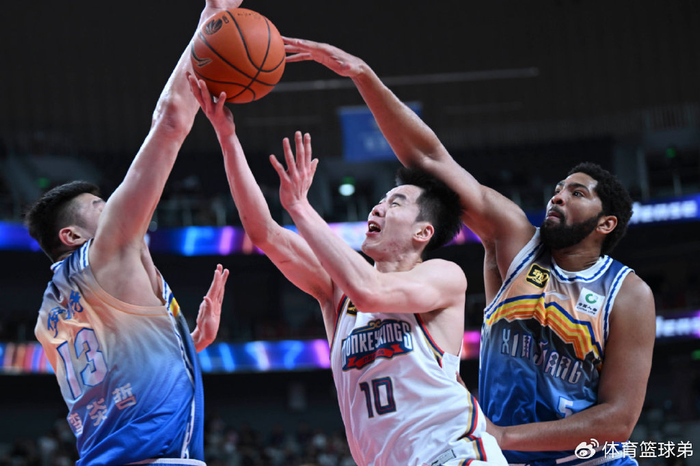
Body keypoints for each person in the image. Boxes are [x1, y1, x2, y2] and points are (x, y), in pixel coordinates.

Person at [281, 38, 656, 466]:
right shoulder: (515, 242)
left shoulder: (629, 294)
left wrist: (504, 434)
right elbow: (429, 158)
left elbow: (618, 420)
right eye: (558, 189)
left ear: (606, 224)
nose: (558, 196)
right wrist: (363, 76)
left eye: (577, 193)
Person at [188, 76, 507, 466]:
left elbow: (371, 291)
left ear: (423, 232)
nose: (378, 207)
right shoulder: (338, 292)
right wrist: (227, 138)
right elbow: (263, 232)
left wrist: (301, 208)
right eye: (381, 200)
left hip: (453, 455)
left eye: (395, 203)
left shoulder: (444, 276)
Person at [23, 1, 239, 464]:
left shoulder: (50, 314)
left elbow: (116, 372)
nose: (119, 210)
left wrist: (185, 339)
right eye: (101, 207)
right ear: (72, 236)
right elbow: (171, 119)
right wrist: (213, 16)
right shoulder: (105, 254)